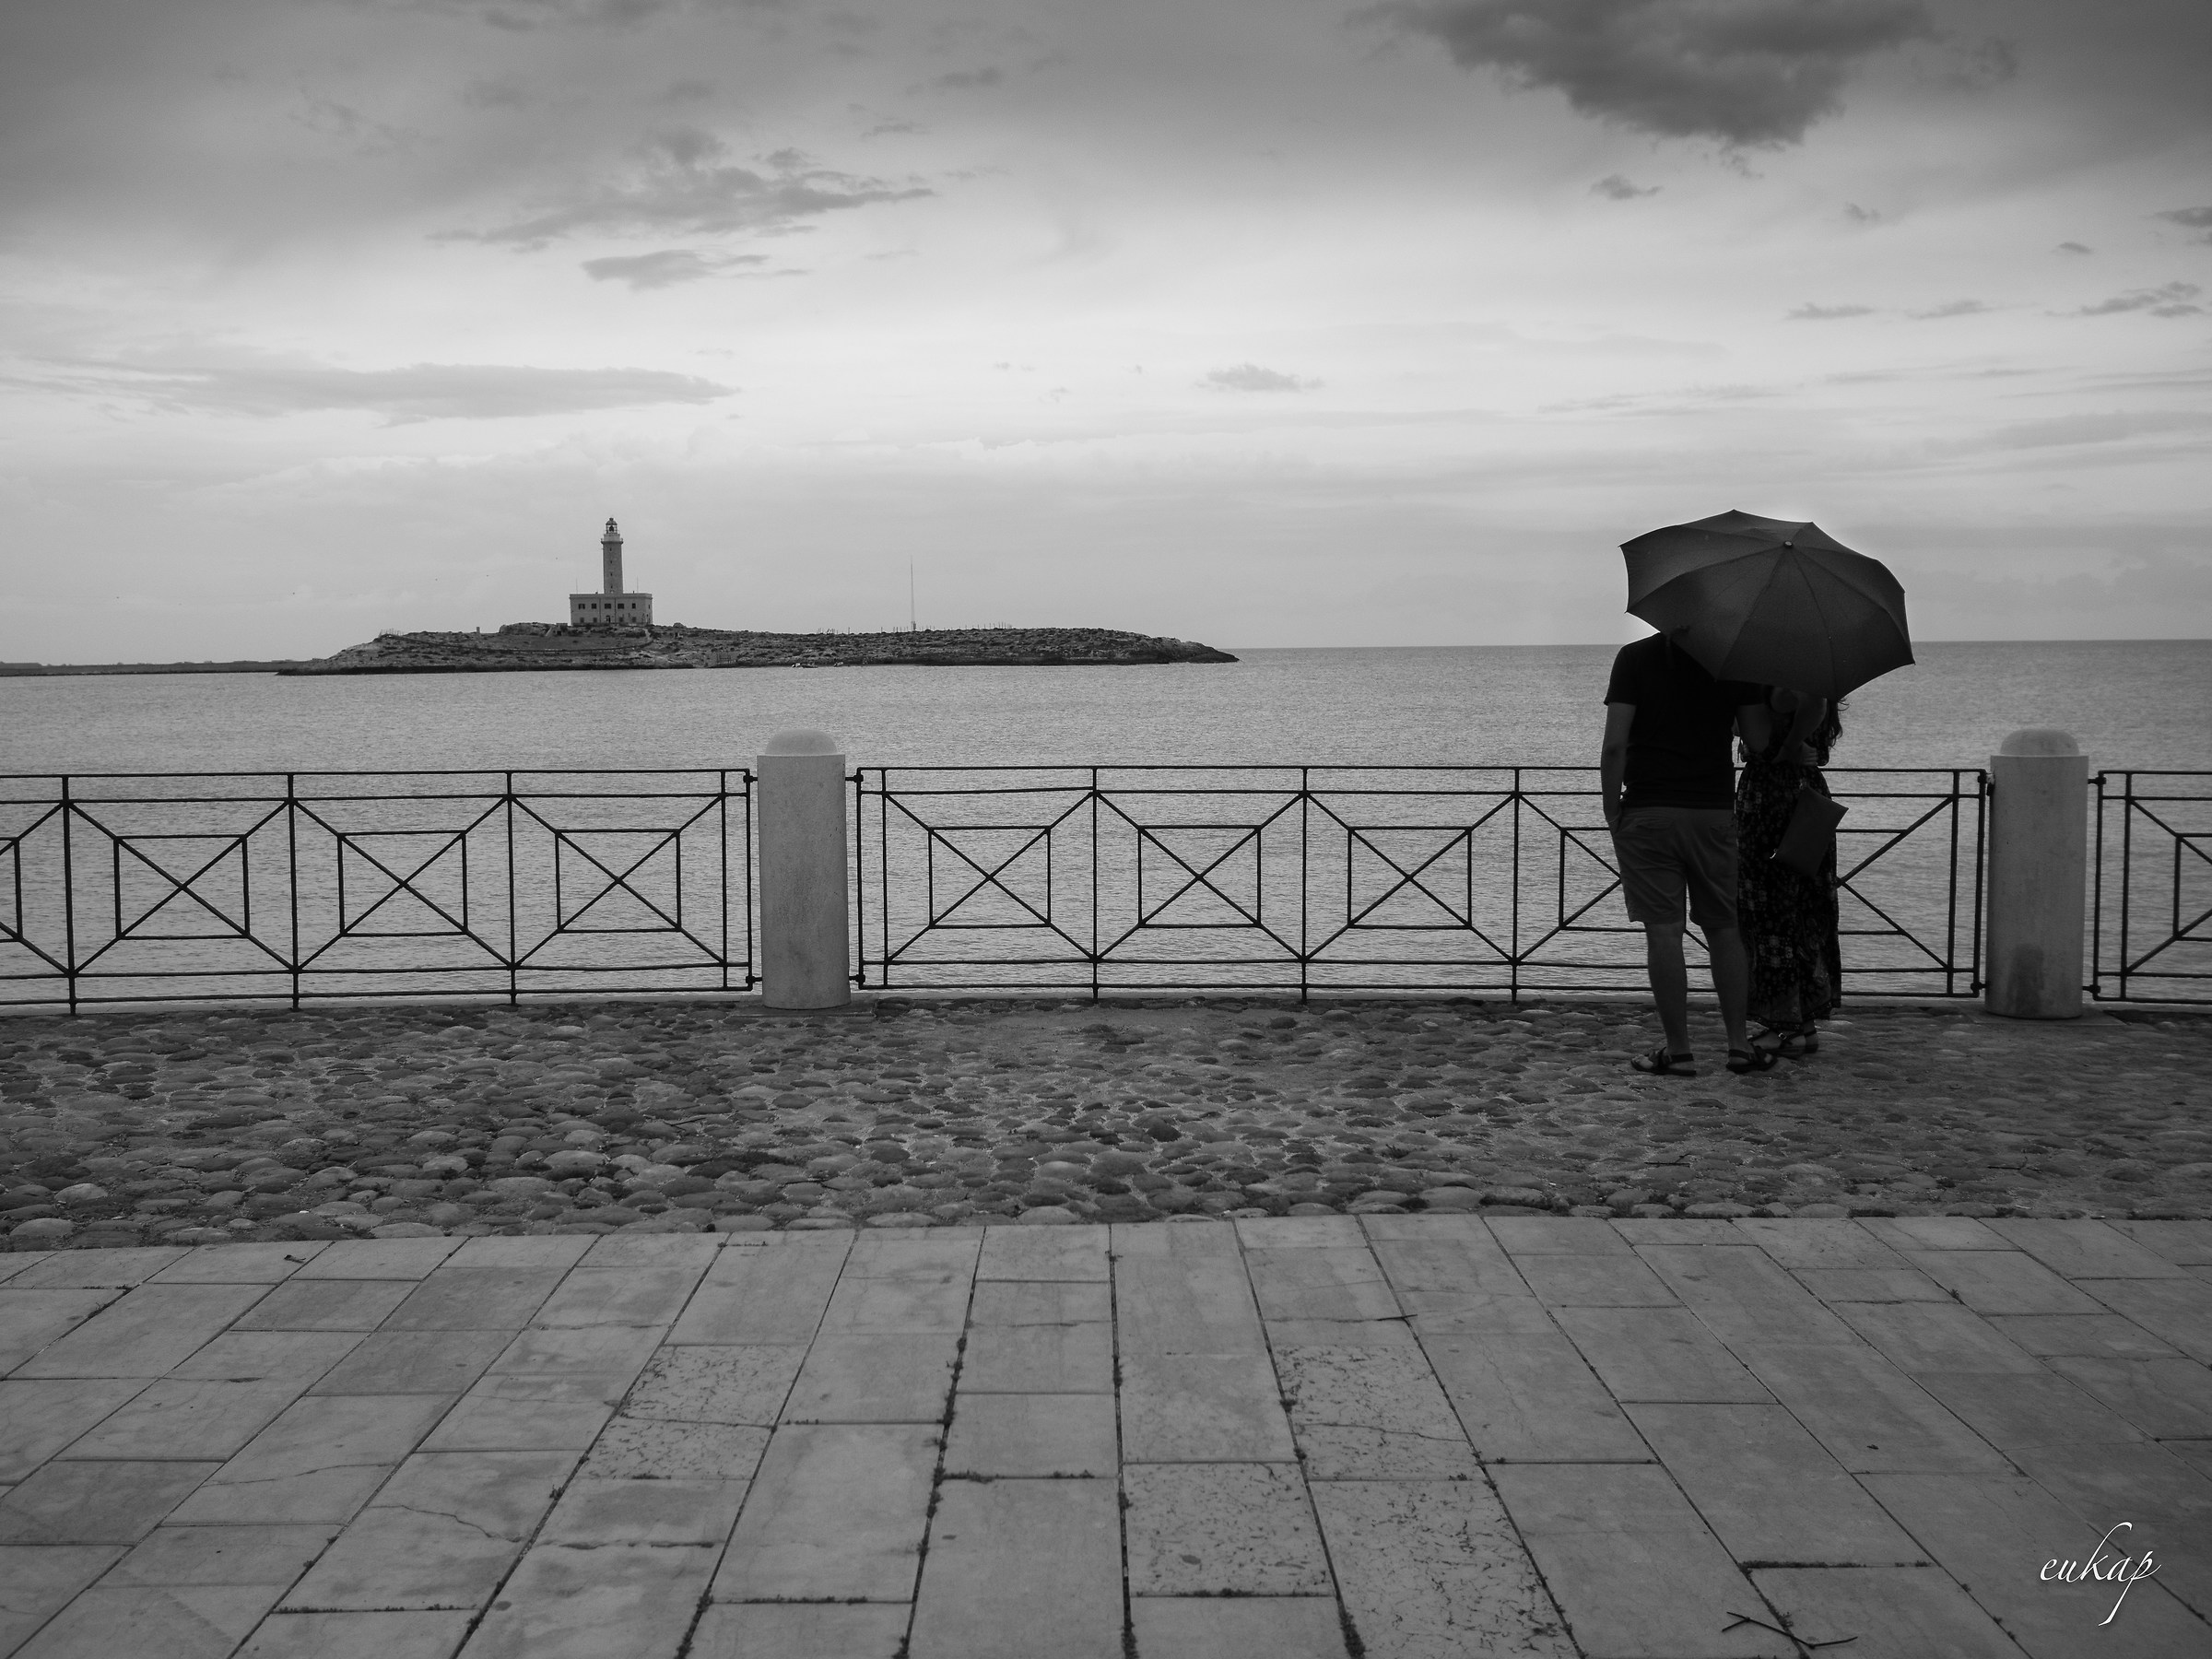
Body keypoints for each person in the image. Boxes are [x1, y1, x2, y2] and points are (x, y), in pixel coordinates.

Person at [1600, 630, 1776, 1076]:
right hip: (1712, 812)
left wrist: (1611, 811)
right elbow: (1758, 742)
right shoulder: (1736, 664)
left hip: (1648, 811)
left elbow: (1615, 745)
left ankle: (1679, 1052)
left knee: (1664, 932)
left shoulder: (1634, 657)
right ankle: (1738, 1046)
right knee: (1724, 929)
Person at [1735, 689, 1844, 1057]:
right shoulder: (1820, 676)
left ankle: (1787, 1027)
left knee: (1773, 916)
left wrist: (1788, 747)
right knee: (1804, 912)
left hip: (1772, 804)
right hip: (1808, 801)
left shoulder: (1782, 682)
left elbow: (1814, 702)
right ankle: (1803, 1025)